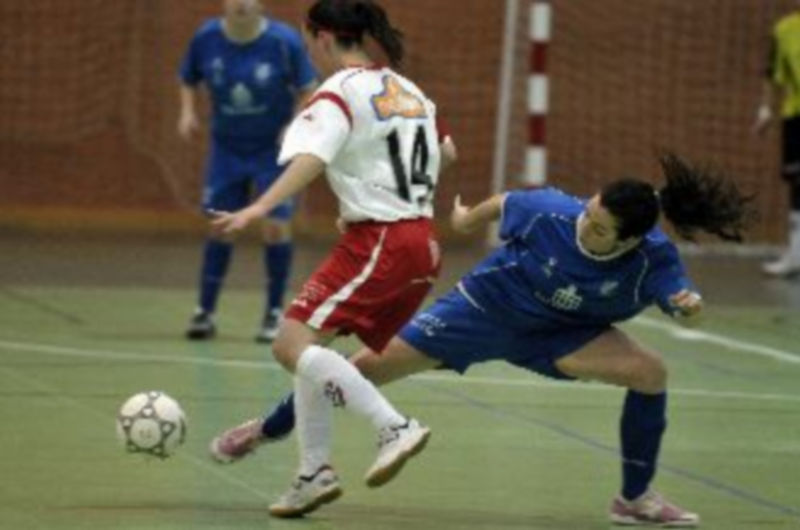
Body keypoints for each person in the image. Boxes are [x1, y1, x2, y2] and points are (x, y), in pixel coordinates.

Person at [211, 152, 756, 526]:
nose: (585, 228)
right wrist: (468, 219)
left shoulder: (653, 259)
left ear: (631, 239)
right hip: (480, 313)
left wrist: (690, 309)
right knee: (357, 369)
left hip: (566, 336)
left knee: (650, 371)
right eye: (589, 213)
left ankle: (634, 500)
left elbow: (685, 304)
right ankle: (264, 430)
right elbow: (503, 203)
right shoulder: (552, 213)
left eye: (599, 229)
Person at [209, 0, 457, 519]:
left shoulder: (336, 92)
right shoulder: (405, 88)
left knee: (290, 342)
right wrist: (378, 196)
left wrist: (257, 207)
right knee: (310, 350)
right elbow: (444, 153)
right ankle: (312, 473)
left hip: (383, 241)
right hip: (418, 242)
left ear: (321, 37)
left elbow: (312, 159)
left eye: (307, 41)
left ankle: (394, 426)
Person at [179, 0, 319, 342]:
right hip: (226, 149)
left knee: (274, 227)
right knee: (221, 226)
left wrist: (295, 123)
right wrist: (187, 112)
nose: (241, 3)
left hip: (272, 150)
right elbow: (187, 78)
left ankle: (273, 313)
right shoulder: (207, 37)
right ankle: (205, 312)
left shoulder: (283, 41)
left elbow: (308, 89)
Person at [754, 2, 800, 277]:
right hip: (796, 116)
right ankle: (796, 253)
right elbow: (773, 74)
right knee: (796, 182)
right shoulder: (784, 30)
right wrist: (765, 109)